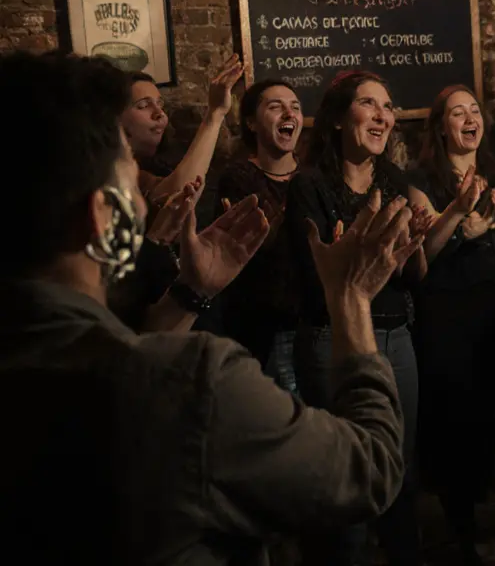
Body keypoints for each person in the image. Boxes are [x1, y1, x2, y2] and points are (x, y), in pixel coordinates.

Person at [0, 51, 412, 564]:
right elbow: (368, 470)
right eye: (131, 182)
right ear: (103, 216)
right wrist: (350, 298)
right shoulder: (198, 381)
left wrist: (190, 293)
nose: (143, 204)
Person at [286, 71, 436, 566]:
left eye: (388, 107)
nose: (382, 116)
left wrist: (413, 248)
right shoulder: (309, 185)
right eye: (369, 104)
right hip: (332, 339)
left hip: (395, 336)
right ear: (336, 119)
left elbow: (411, 277)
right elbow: (316, 278)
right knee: (343, 472)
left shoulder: (394, 182)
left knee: (400, 466)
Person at [407, 84, 495, 564]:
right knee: (465, 433)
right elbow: (425, 252)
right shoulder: (422, 178)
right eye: (457, 113)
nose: (470, 119)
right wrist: (464, 221)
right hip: (455, 317)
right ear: (441, 127)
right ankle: (467, 536)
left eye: (474, 111)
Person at [215, 79, 303, 387]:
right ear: (251, 123)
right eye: (276, 106)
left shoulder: (313, 175)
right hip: (262, 328)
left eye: (295, 107)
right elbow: (258, 244)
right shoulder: (238, 177)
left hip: (312, 326)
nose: (289, 114)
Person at [126, 56, 244, 207]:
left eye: (160, 104)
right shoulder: (110, 172)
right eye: (143, 105)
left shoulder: (163, 163)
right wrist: (215, 114)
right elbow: (176, 198)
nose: (159, 113)